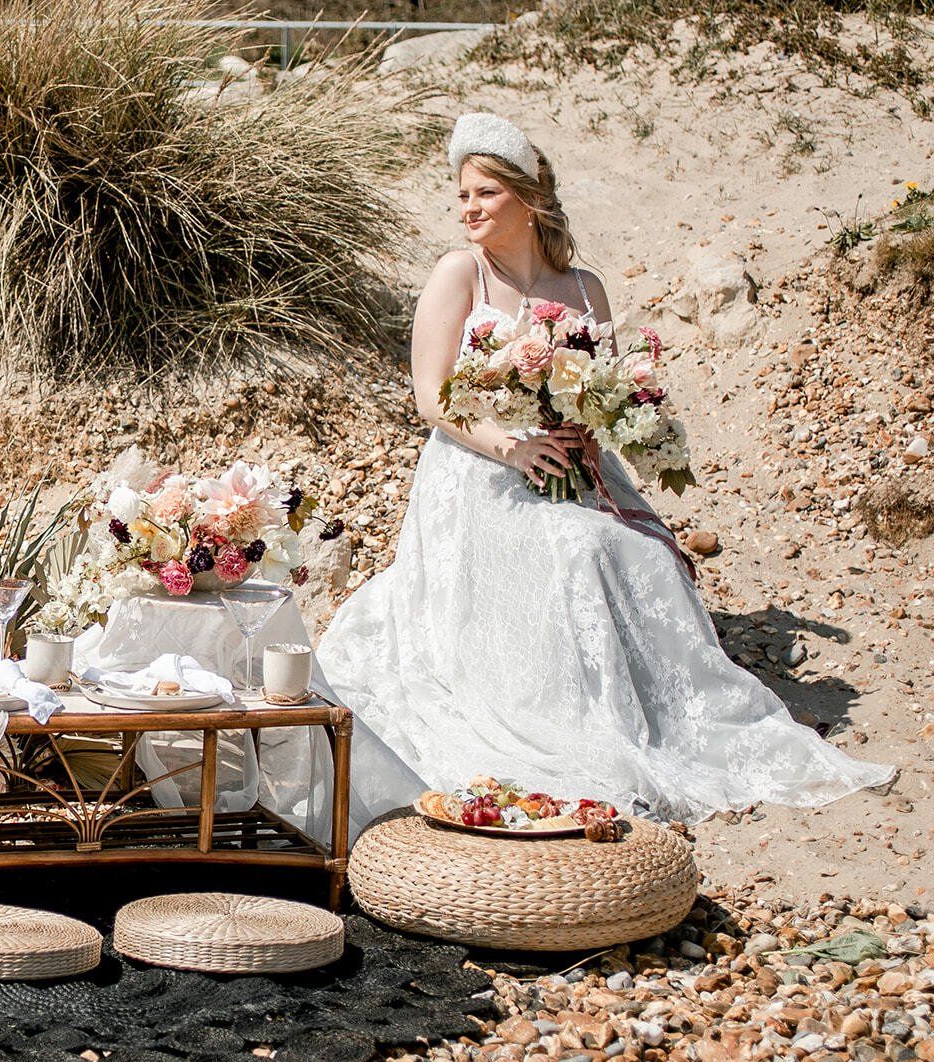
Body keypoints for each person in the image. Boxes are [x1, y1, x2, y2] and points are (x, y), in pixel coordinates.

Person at [318, 112, 893, 822]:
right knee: (578, 550)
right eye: (462, 194)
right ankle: (568, 721)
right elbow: (432, 399)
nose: (468, 208)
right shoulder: (459, 274)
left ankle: (653, 719)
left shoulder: (584, 287)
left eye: (486, 193)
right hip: (479, 472)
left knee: (641, 554)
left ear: (529, 199)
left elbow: (603, 388)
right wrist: (512, 446)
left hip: (573, 465)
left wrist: (590, 433)